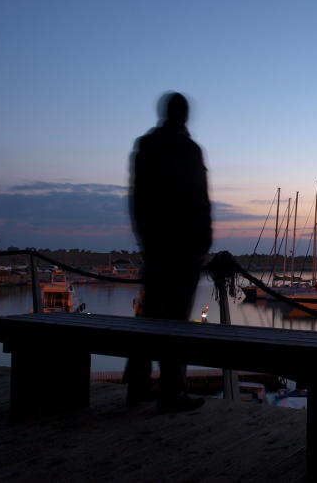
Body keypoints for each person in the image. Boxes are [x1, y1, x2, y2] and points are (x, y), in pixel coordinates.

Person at [124, 92, 212, 413]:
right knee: (176, 322)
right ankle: (172, 390)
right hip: (183, 250)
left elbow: (138, 200)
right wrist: (203, 243)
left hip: (154, 248)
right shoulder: (187, 149)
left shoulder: (145, 147)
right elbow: (198, 201)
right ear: (185, 116)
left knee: (149, 317)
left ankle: (137, 385)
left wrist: (145, 240)